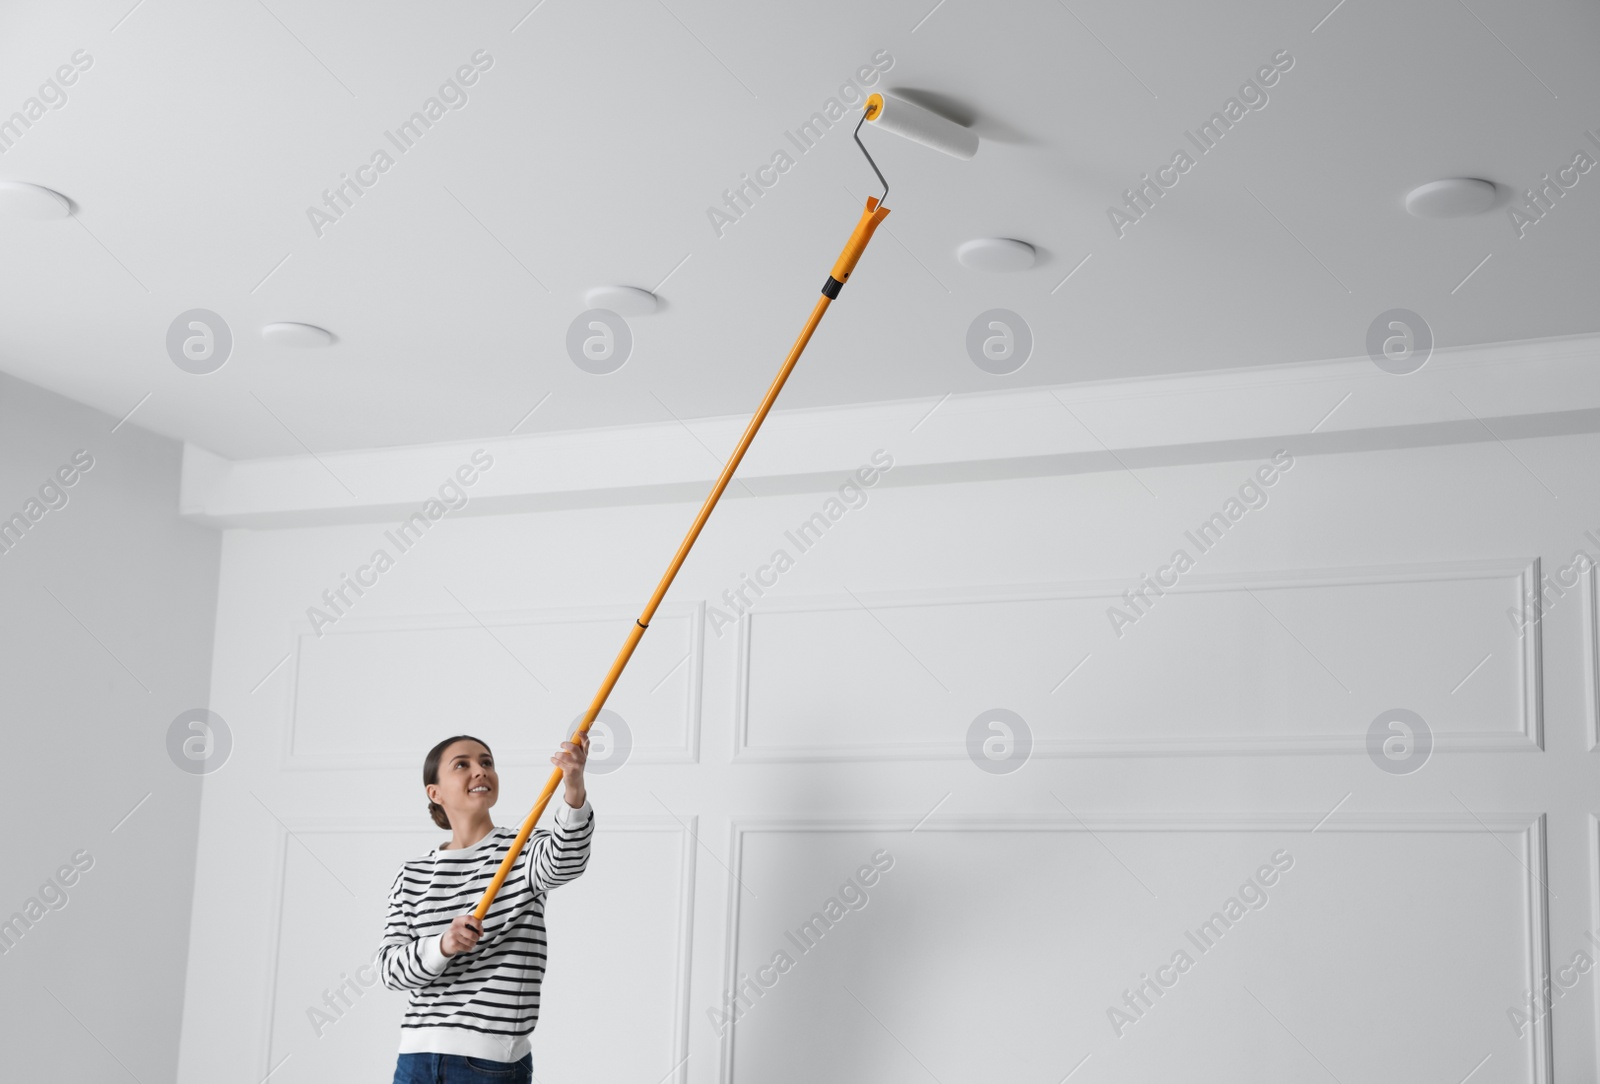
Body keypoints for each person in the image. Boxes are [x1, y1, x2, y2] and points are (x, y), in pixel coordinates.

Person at [379, 732, 594, 1083]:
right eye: (462, 765)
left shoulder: (522, 850)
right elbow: (390, 970)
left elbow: (566, 859)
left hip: (490, 1064)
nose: (480, 771)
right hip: (415, 1060)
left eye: (486, 763)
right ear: (435, 793)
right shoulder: (412, 874)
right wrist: (442, 945)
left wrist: (573, 786)